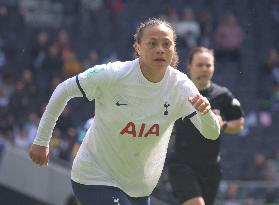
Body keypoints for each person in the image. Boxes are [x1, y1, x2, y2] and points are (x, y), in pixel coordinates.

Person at [29, 19, 220, 205]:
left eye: (166, 44)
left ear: (174, 49)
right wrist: (41, 141)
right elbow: (64, 89)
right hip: (95, 178)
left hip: (139, 189)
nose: (160, 49)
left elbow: (211, 133)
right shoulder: (113, 74)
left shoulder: (182, 87)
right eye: (152, 43)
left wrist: (206, 113)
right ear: (137, 48)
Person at [167, 47, 244, 205]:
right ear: (190, 66)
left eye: (208, 65)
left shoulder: (223, 95)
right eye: (199, 65)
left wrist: (223, 125)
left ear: (214, 67)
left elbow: (239, 123)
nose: (204, 69)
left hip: (211, 167)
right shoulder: (177, 91)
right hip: (182, 163)